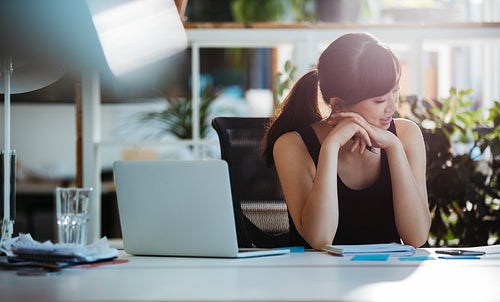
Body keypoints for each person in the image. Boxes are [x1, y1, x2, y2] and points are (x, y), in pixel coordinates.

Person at [261, 33, 431, 250]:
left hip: (386, 276)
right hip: (315, 279)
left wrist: (394, 146)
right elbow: (320, 239)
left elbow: (416, 237)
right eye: (379, 100)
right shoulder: (292, 145)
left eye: (395, 91)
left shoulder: (406, 135)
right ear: (338, 104)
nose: (392, 107)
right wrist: (330, 147)